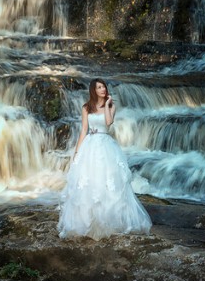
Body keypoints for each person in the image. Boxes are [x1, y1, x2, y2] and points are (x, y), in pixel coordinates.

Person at [58, 78, 152, 239]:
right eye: (99, 87)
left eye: (103, 87)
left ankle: (109, 220)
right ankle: (89, 221)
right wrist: (77, 152)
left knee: (108, 181)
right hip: (90, 145)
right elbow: (84, 130)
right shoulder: (86, 107)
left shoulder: (111, 106)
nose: (102, 89)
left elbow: (108, 123)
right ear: (93, 90)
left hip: (105, 144)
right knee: (88, 182)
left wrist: (108, 104)